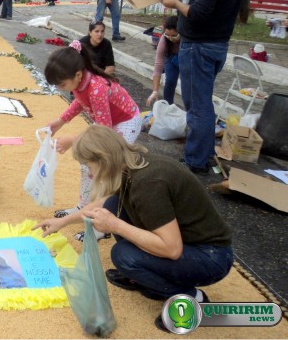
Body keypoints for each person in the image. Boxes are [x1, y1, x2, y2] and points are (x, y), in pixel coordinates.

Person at [34, 125, 233, 331]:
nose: (90, 174)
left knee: (124, 256)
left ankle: (193, 299)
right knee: (113, 205)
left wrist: (115, 226)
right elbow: (103, 204)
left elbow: (172, 249)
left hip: (211, 257)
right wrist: (62, 221)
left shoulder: (148, 184)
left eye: (89, 166)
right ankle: (145, 278)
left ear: (103, 161)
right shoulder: (130, 162)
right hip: (191, 243)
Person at [162, 0, 249, 175]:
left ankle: (195, 161)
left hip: (199, 47)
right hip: (217, 43)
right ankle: (206, 153)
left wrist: (177, 3)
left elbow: (198, 13)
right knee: (203, 103)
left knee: (197, 106)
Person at [44, 41, 141, 241]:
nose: (62, 89)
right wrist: (60, 122)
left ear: (77, 75)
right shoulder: (81, 82)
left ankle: (102, 224)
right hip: (109, 125)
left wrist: (72, 139)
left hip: (126, 123)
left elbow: (102, 133)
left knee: (107, 171)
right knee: (87, 162)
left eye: (62, 84)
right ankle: (83, 206)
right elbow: (80, 101)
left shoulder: (96, 88)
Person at [146, 16, 180, 106]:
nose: (170, 38)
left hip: (186, 59)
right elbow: (158, 65)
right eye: (167, 35)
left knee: (188, 86)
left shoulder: (188, 39)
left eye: (174, 35)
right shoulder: (163, 40)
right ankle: (167, 106)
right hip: (171, 57)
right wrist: (155, 91)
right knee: (170, 82)